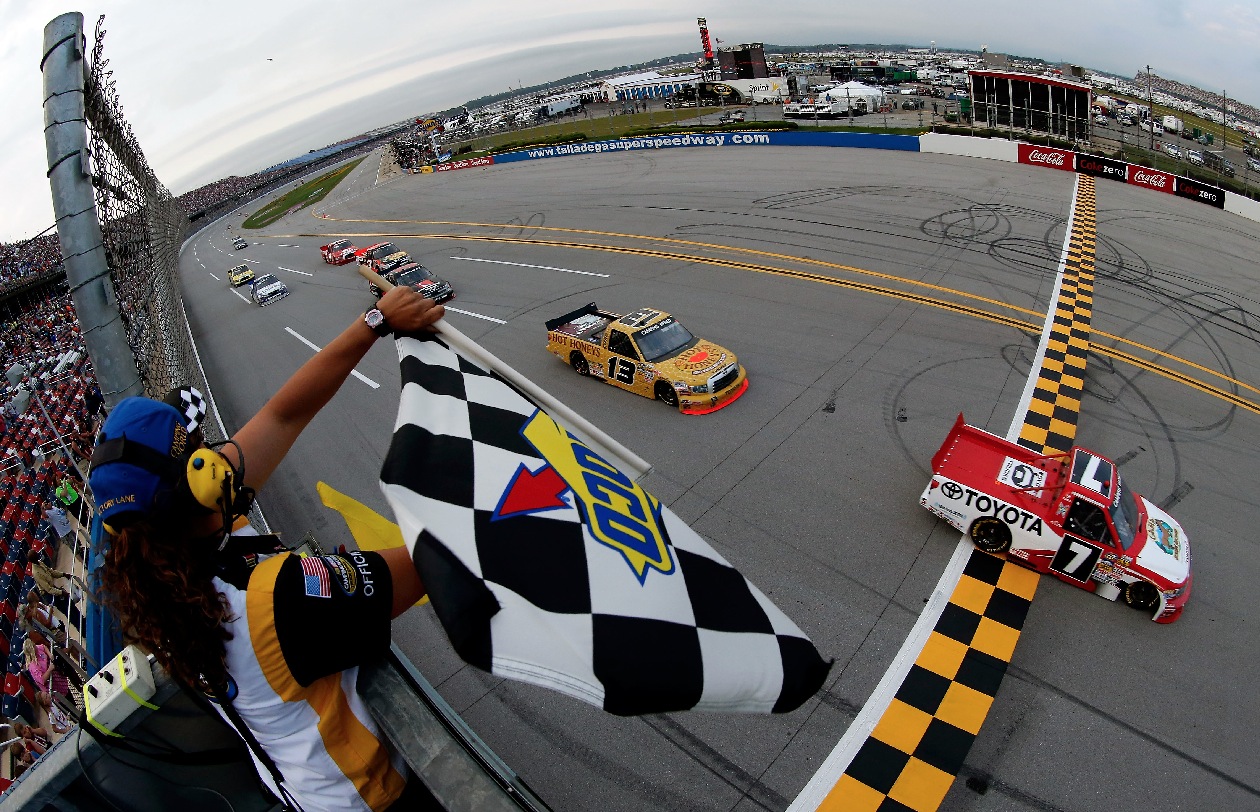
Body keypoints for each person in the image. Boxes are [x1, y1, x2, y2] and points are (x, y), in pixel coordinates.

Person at [89, 287, 443, 812]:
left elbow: (281, 416)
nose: (217, 453)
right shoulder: (266, 603)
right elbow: (427, 565)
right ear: (201, 481)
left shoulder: (168, 572)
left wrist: (374, 322)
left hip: (298, 789)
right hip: (368, 798)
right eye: (202, 450)